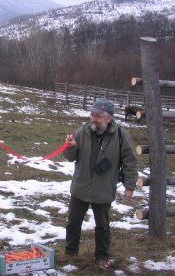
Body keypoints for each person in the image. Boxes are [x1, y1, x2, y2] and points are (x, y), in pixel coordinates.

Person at [63, 98, 138, 270]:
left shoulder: (121, 136)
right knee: (73, 222)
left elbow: (130, 162)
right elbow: (70, 157)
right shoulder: (81, 132)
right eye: (92, 114)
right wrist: (70, 146)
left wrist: (130, 186)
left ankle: (102, 256)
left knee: (102, 225)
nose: (93, 118)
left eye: (98, 115)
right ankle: (70, 252)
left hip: (103, 190)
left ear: (109, 118)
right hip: (80, 188)